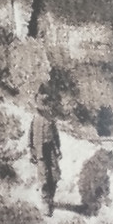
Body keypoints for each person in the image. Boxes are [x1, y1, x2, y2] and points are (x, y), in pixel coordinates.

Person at [29, 87, 62, 216]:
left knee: (54, 176)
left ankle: (51, 199)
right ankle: (45, 203)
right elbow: (30, 137)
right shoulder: (35, 119)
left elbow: (56, 136)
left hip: (51, 151)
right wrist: (32, 152)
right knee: (43, 178)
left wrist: (58, 149)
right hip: (40, 152)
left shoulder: (51, 120)